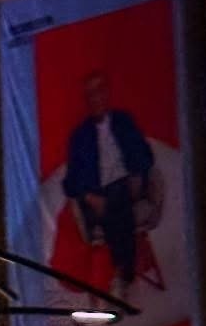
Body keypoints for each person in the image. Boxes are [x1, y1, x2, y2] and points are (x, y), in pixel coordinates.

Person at [63, 71, 155, 286]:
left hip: (127, 186)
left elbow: (146, 155)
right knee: (115, 205)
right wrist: (88, 196)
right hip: (99, 196)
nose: (96, 98)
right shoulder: (80, 136)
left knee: (118, 198)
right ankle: (125, 273)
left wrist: (137, 175)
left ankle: (120, 271)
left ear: (107, 93)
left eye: (100, 90)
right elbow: (70, 181)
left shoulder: (124, 122)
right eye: (91, 93)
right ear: (87, 100)